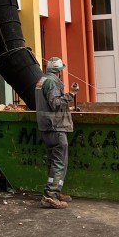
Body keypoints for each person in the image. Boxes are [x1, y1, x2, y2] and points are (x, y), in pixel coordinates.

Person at [35, 56, 79, 209]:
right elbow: (55, 104)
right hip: (56, 127)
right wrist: (71, 94)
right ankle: (50, 195)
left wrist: (68, 106)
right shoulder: (53, 82)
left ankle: (55, 191)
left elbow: (48, 103)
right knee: (60, 163)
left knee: (54, 162)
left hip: (46, 127)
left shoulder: (42, 80)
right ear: (59, 71)